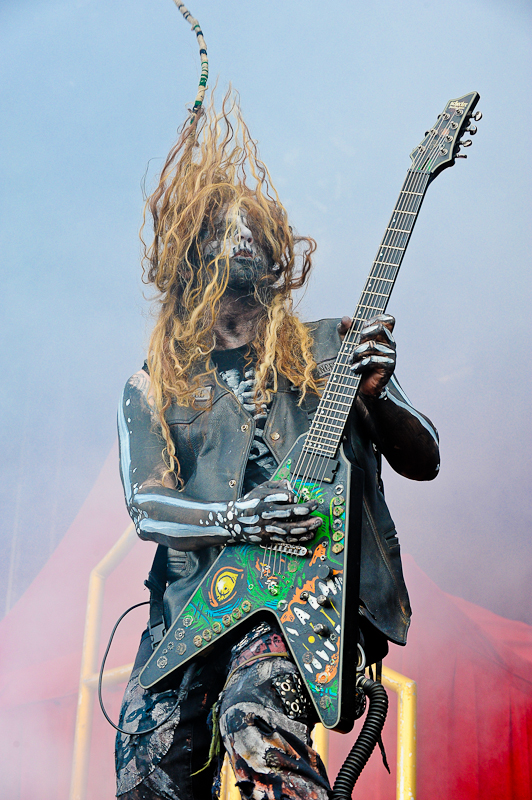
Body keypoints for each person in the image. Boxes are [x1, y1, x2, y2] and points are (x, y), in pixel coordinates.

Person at [115, 95, 440, 800]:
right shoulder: (155, 382)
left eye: (252, 229)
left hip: (307, 595)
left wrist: (379, 393)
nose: (240, 238)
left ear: (275, 252)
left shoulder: (333, 345)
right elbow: (145, 506)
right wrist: (242, 520)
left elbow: (426, 458)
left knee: (255, 722)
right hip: (190, 611)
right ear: (187, 253)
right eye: (221, 228)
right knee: (146, 778)